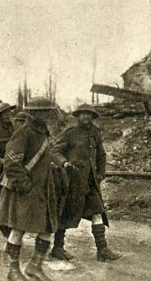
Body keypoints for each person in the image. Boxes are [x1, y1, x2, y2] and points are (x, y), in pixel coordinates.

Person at [0, 97, 59, 281]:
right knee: (18, 230)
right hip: (25, 190)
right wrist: (25, 186)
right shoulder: (24, 132)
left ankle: (34, 266)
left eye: (48, 111)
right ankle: (13, 270)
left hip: (43, 190)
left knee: (47, 229)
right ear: (33, 113)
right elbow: (11, 163)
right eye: (42, 111)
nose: (46, 114)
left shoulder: (43, 133)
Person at [51, 104, 121, 262]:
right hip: (72, 182)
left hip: (90, 182)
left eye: (89, 115)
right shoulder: (70, 133)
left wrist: (101, 172)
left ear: (92, 117)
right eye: (83, 114)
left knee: (97, 212)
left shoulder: (96, 133)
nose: (86, 117)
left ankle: (102, 250)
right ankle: (57, 248)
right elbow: (55, 151)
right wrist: (64, 163)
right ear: (78, 116)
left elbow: (101, 154)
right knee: (65, 213)